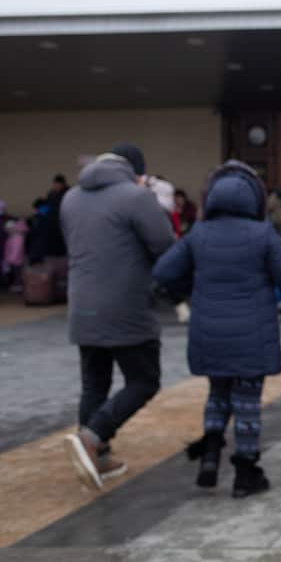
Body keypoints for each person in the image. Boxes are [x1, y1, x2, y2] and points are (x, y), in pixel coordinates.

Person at [153, 160, 281, 496]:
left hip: (209, 332)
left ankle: (210, 456)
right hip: (252, 334)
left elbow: (163, 272)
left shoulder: (199, 234)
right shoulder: (262, 234)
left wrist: (189, 292)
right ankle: (245, 474)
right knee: (247, 400)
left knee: (218, 392)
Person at [60, 144, 176, 490]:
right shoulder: (136, 197)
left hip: (82, 306)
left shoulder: (71, 198)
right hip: (126, 306)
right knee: (144, 379)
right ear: (136, 171)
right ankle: (92, 438)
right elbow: (165, 247)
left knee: (94, 384)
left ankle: (98, 456)